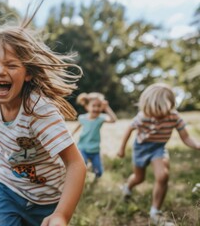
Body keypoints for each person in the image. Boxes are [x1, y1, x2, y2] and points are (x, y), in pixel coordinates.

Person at [0, 0, 87, 226]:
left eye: (11, 65)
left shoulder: (39, 112)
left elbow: (76, 164)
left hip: (47, 199)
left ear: (27, 73)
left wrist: (61, 214)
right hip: (5, 187)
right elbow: (0, 135)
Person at [117, 83, 200, 224]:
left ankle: (155, 212)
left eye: (161, 111)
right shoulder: (143, 116)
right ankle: (128, 188)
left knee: (163, 176)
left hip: (158, 148)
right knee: (139, 178)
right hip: (141, 148)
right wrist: (122, 149)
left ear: (170, 105)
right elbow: (128, 130)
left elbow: (185, 137)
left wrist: (197, 145)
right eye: (153, 111)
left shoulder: (174, 117)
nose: (157, 115)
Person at [72, 92, 117, 178]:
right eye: (94, 106)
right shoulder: (82, 118)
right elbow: (77, 127)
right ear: (87, 107)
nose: (96, 108)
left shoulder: (100, 118)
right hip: (82, 147)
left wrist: (107, 108)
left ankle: (95, 175)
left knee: (99, 172)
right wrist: (72, 134)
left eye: (99, 106)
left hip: (95, 149)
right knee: (82, 165)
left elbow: (114, 120)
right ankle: (82, 177)